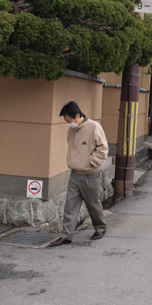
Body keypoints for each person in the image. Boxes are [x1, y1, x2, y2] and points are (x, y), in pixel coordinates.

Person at [50, 101, 108, 246]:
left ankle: (100, 228)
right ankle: (66, 235)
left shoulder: (94, 126)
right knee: (70, 205)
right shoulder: (72, 130)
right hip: (75, 174)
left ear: (77, 115)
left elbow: (103, 149)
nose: (68, 124)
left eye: (69, 121)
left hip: (90, 174)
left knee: (93, 204)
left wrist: (90, 162)